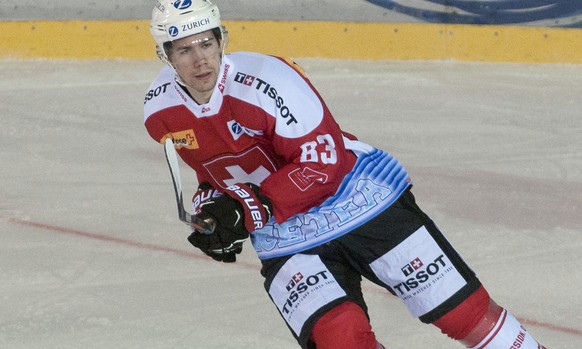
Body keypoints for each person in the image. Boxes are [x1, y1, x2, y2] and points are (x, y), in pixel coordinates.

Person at [143, 1, 548, 348]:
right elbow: (212, 172)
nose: (200, 59)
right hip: (285, 235)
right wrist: (213, 211)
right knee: (341, 338)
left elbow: (324, 161)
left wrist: (249, 207)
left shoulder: (270, 80)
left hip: (359, 199)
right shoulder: (159, 112)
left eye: (206, 43)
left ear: (221, 39)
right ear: (165, 56)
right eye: (183, 50)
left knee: (464, 314)